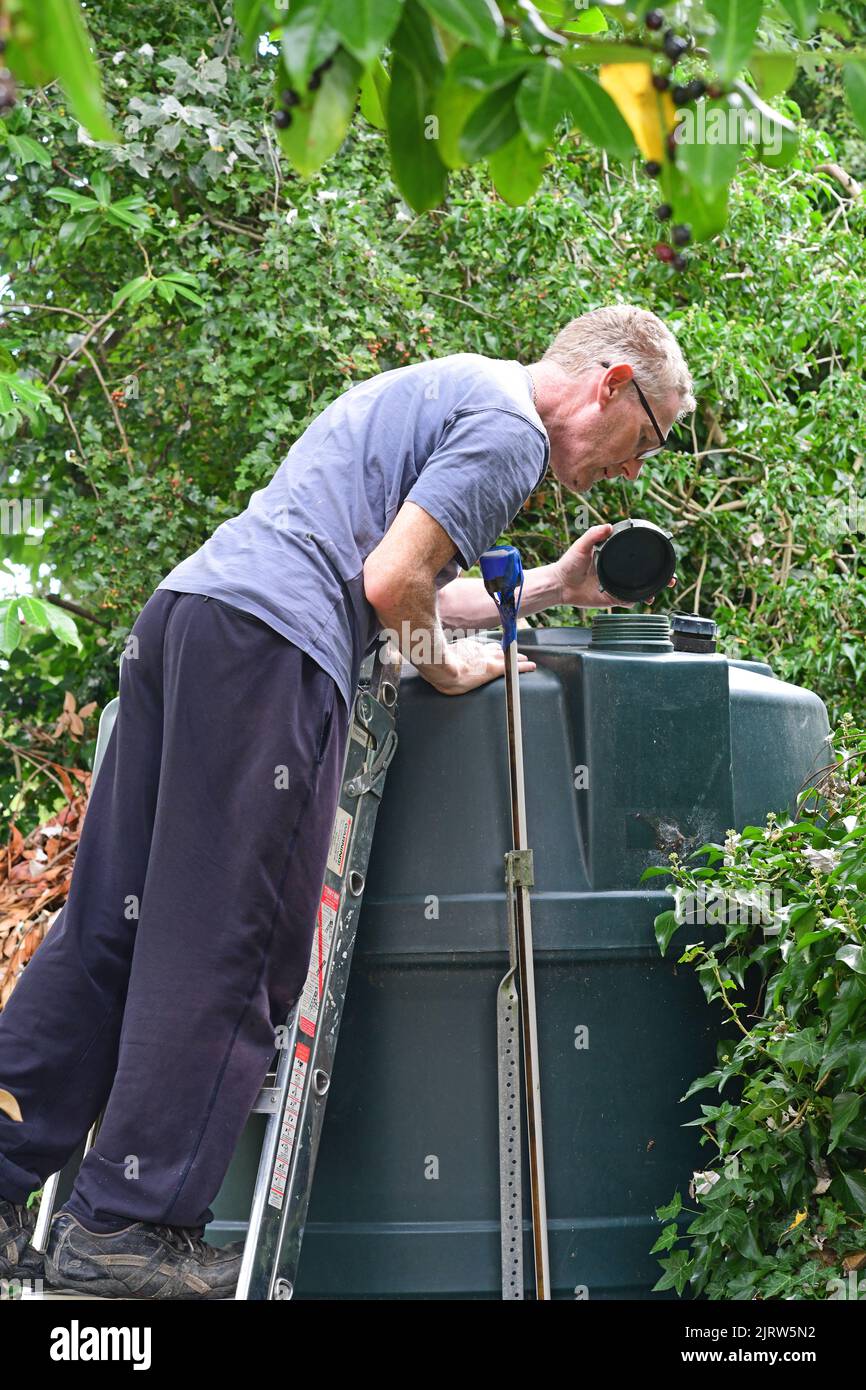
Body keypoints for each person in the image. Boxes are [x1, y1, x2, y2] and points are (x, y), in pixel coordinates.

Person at [0, 304, 694, 1299]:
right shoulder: (510, 436)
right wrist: (442, 671)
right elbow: (392, 583)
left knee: (109, 926)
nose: (634, 467)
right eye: (650, 436)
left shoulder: (455, 381)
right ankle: (125, 1229)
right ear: (611, 382)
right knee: (230, 948)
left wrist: (547, 587)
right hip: (269, 656)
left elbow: (383, 566)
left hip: (190, 621)